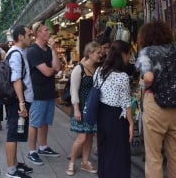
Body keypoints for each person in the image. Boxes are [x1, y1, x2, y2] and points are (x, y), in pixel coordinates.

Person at [135, 21, 176, 178]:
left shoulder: (146, 52)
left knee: (154, 157)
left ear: (144, 37)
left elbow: (149, 77)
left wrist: (142, 83)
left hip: (155, 105)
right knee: (175, 155)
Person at [97, 40, 134, 178]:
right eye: (129, 54)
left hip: (101, 114)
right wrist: (131, 123)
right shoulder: (122, 76)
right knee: (119, 152)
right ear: (123, 54)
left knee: (104, 149)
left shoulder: (100, 71)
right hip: (116, 117)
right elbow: (126, 102)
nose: (129, 57)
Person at [27, 20, 61, 165]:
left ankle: (43, 146)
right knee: (35, 123)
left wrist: (53, 49)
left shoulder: (48, 49)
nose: (49, 33)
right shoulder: (33, 50)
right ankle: (32, 151)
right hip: (37, 92)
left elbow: (57, 68)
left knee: (45, 122)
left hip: (49, 91)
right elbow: (48, 72)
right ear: (38, 33)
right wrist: (52, 69)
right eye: (46, 30)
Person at [66, 42, 101, 176]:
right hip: (80, 108)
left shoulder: (96, 68)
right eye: (98, 53)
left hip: (92, 109)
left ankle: (85, 161)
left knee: (90, 136)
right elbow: (73, 90)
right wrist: (76, 109)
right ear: (90, 53)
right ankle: (72, 163)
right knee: (81, 138)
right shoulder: (79, 69)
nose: (100, 55)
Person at [5, 25, 34, 178]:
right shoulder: (16, 54)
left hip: (18, 99)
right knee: (12, 133)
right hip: (17, 100)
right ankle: (11, 170)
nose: (31, 37)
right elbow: (16, 79)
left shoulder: (19, 52)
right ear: (21, 36)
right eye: (29, 34)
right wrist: (22, 103)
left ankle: (15, 164)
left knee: (16, 132)